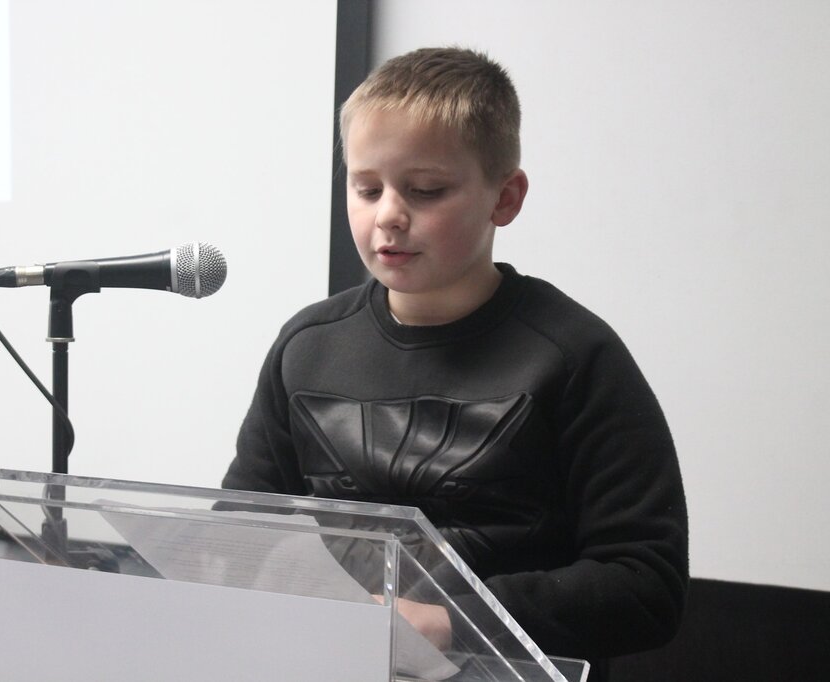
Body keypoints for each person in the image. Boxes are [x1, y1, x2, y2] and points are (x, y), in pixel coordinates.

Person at [222, 46, 688, 680]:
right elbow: (236, 538)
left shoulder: (575, 356)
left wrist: (453, 621)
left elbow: (645, 584)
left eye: (426, 190)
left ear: (505, 198)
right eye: (367, 188)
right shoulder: (307, 346)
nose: (389, 214)